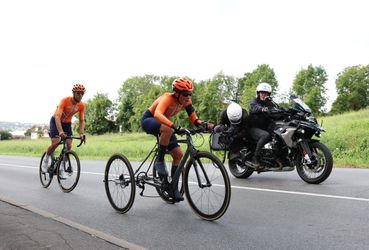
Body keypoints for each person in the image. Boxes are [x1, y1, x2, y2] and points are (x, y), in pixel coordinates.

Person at [141, 77, 213, 202]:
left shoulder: (186, 102)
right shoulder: (167, 98)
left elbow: (193, 118)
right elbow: (158, 114)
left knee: (178, 155)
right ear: (177, 92)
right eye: (185, 94)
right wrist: (175, 126)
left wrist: (203, 124)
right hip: (149, 119)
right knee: (168, 130)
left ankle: (172, 188)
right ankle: (159, 161)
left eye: (190, 94)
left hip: (164, 125)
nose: (188, 97)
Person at [42, 84, 86, 173]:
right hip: (56, 121)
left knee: (69, 145)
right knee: (55, 142)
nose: (80, 95)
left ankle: (61, 167)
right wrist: (60, 131)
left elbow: (81, 121)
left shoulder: (81, 105)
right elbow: (58, 116)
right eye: (78, 93)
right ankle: (46, 159)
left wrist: (81, 133)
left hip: (67, 123)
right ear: (73, 93)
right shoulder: (65, 100)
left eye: (82, 94)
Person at [249, 82, 278, 169]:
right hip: (253, 128)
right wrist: (263, 109)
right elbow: (255, 108)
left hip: (264, 128)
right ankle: (255, 157)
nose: (263, 94)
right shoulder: (254, 101)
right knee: (266, 135)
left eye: (265, 93)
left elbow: (277, 109)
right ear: (258, 93)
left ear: (268, 94)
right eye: (262, 92)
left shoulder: (270, 103)